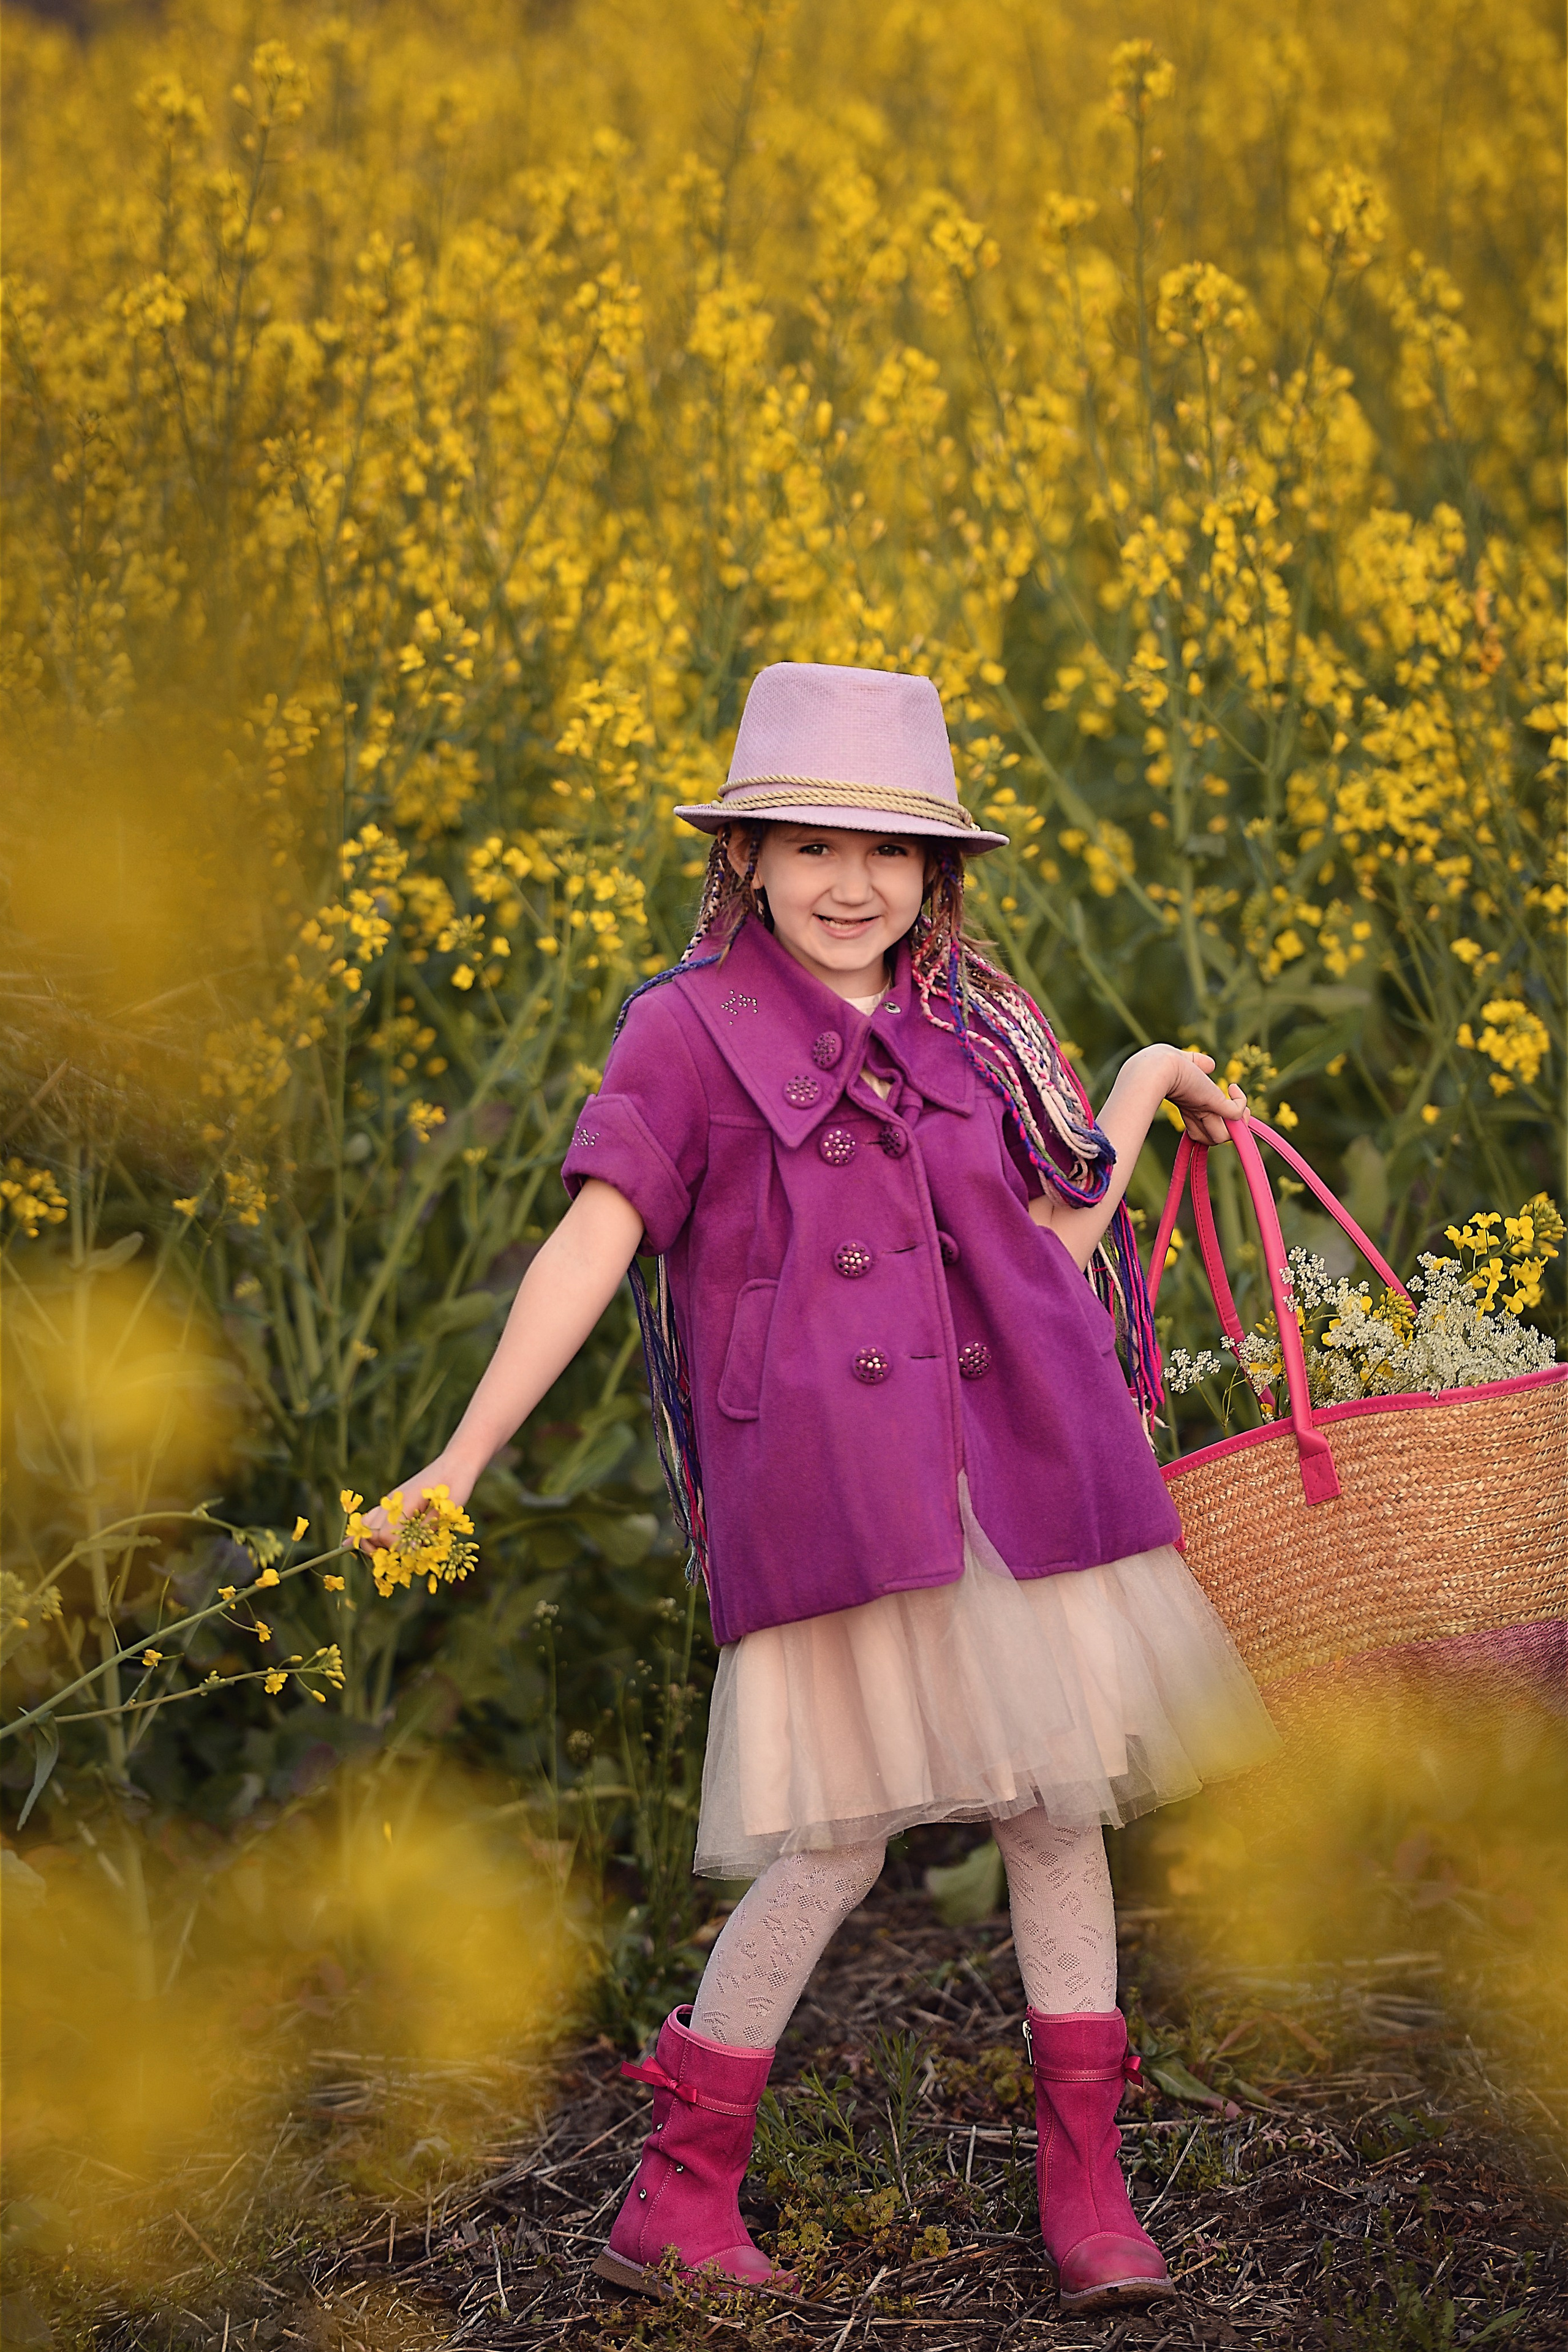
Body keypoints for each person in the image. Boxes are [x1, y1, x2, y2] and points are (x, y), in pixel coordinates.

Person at [360, 663, 1279, 2315]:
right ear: (748, 860)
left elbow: (1050, 1251)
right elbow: (593, 1242)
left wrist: (1143, 1077)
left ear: (936, 872)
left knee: (1053, 1816)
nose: (852, 885)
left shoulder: (977, 1022)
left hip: (1015, 1482)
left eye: (889, 852)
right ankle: (677, 2193)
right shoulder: (686, 1029)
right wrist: (461, 1455)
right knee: (836, 1843)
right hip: (841, 1499)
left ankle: (1088, 2187)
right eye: (811, 848)